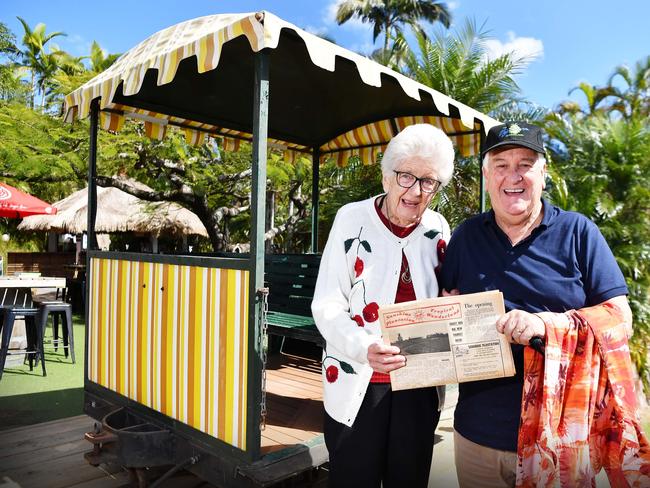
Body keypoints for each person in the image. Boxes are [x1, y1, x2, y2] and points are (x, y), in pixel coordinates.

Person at [440, 121, 633, 487]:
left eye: (525, 163)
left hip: (560, 440)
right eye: (501, 165)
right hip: (476, 436)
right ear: (486, 176)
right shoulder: (465, 237)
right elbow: (446, 308)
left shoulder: (578, 232)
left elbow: (620, 319)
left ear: (543, 173)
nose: (513, 175)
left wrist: (545, 326)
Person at [311, 124, 454, 488]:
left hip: (419, 384)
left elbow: (446, 295)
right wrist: (365, 347)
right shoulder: (351, 219)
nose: (416, 190)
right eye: (406, 176)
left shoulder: (437, 227)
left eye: (428, 182)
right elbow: (327, 303)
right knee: (353, 478)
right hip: (360, 381)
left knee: (409, 477)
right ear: (386, 177)